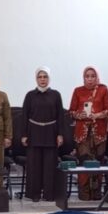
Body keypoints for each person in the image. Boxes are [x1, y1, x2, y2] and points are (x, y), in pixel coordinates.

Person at [21, 67, 64, 201]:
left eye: (45, 77)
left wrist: (60, 134)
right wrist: (24, 134)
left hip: (51, 134)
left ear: (49, 78)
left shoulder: (56, 95)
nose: (43, 79)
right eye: (40, 77)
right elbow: (24, 116)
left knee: (50, 166)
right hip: (34, 134)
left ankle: (49, 194)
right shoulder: (30, 95)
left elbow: (60, 116)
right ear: (36, 79)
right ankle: (34, 194)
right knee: (34, 166)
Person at [69, 66, 108, 200]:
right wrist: (79, 115)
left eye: (93, 76)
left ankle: (96, 193)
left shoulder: (103, 90)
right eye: (87, 76)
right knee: (84, 161)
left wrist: (97, 115)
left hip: (98, 133)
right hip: (82, 133)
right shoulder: (78, 91)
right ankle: (84, 193)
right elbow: (71, 112)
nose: (90, 79)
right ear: (84, 78)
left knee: (98, 161)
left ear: (97, 77)